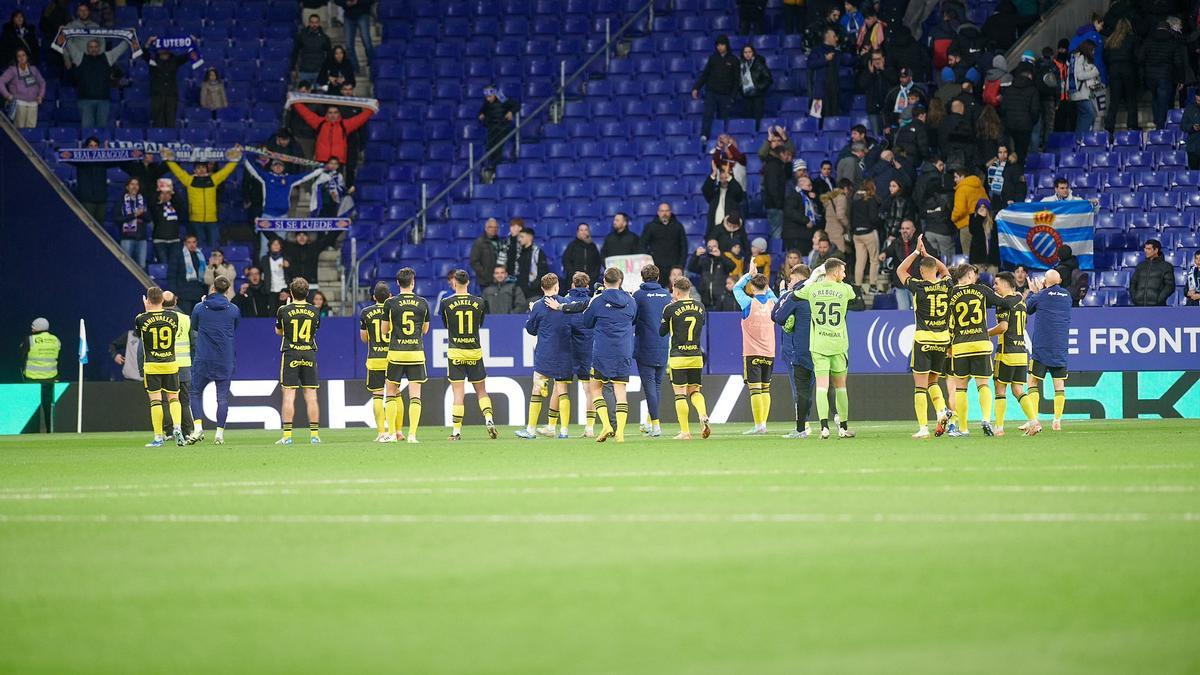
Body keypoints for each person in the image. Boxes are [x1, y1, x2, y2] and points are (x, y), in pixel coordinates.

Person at [943, 263, 1021, 437]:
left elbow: (949, 323)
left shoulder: (951, 293)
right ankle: (986, 419)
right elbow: (1004, 303)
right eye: (974, 274)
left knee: (960, 388)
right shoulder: (982, 290)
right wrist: (1018, 297)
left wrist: (948, 346)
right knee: (983, 385)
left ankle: (963, 428)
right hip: (981, 343)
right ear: (970, 275)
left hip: (961, 345)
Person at [791, 259, 858, 438]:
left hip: (819, 344)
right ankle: (843, 428)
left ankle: (824, 428)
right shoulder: (844, 289)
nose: (844, 275)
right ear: (835, 272)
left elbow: (794, 294)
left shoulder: (812, 289)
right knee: (840, 386)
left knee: (821, 386)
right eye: (842, 271)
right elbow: (852, 294)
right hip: (838, 344)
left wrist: (813, 277)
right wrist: (837, 281)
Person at [519, 274, 587, 440]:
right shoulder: (566, 304)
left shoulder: (537, 306)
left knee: (537, 387)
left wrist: (531, 314)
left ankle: (531, 430)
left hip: (545, 353)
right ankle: (564, 431)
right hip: (565, 352)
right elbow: (577, 325)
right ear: (556, 286)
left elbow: (531, 329)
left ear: (542, 288)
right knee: (563, 391)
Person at [896, 241, 952, 438]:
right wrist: (929, 255)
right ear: (935, 269)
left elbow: (900, 270)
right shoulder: (947, 283)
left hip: (923, 339)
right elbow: (945, 270)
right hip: (943, 340)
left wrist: (916, 252)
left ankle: (922, 428)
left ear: (920, 272)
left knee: (920, 386)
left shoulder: (918, 286)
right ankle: (941, 411)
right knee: (933, 381)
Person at [579, 267, 638, 443]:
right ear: (621, 281)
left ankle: (605, 425)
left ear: (604, 281)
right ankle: (620, 432)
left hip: (603, 351)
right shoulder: (631, 300)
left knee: (595, 388)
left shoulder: (597, 300)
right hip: (623, 350)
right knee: (620, 391)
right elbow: (633, 319)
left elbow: (587, 322)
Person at [440, 270, 497, 441]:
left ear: (454, 283)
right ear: (468, 283)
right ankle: (489, 419)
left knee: (458, 392)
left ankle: (456, 432)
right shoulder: (479, 302)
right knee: (481, 391)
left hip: (456, 351)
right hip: (474, 350)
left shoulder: (445, 302)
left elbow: (446, 325)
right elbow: (480, 323)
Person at [188, 276, 240, 445]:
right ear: (227, 290)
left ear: (212, 288)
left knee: (195, 393)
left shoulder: (199, 308)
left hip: (203, 357)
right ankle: (219, 434)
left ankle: (197, 429)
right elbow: (235, 325)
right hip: (224, 359)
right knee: (222, 398)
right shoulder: (233, 309)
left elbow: (194, 326)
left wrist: (204, 305)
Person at [380, 267, 429, 443]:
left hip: (396, 354)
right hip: (416, 353)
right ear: (413, 282)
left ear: (398, 283)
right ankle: (412, 435)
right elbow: (425, 330)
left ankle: (392, 433)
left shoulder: (390, 303)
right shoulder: (423, 302)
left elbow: (384, 330)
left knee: (391, 393)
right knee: (415, 396)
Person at [988, 271, 1039, 437]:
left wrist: (985, 333)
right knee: (1018, 389)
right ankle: (1034, 422)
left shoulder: (1003, 303)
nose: (994, 287)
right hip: (1021, 351)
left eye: (996, 283)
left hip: (1006, 352)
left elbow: (1003, 327)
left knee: (1000, 389)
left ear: (1004, 284)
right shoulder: (1021, 302)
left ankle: (999, 427)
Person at [660, 277, 711, 440]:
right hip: (696, 356)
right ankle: (703, 415)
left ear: (675, 290)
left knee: (680, 395)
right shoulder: (700, 307)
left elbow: (661, 332)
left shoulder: (670, 308)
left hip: (678, 357)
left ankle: (685, 432)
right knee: (695, 391)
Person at [135, 287, 185, 447]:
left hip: (152, 366)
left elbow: (139, 335)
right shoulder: (173, 317)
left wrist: (147, 310)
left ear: (148, 300)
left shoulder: (141, 318)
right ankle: (178, 427)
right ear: (162, 300)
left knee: (155, 401)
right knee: (174, 398)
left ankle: (158, 437)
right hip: (170, 364)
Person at [733, 262, 779, 434]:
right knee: (766, 388)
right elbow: (772, 294)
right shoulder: (773, 303)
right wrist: (765, 286)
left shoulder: (747, 303)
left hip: (752, 352)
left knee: (755, 390)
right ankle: (764, 424)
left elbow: (736, 288)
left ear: (751, 287)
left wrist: (749, 274)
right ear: (767, 286)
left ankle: (758, 425)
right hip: (770, 351)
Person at [275, 277, 322, 444]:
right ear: (307, 293)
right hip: (309, 353)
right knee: (311, 395)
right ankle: (315, 435)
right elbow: (315, 330)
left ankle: (287, 437)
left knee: (288, 394)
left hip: (291, 353)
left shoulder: (283, 309)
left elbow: (279, 331)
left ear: (291, 293)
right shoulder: (315, 310)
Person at [1024, 269, 1072, 432]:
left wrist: (1033, 292)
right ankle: (1057, 421)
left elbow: (1027, 308)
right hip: (1060, 347)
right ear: (1059, 281)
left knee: (1032, 382)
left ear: (1045, 281)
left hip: (1042, 347)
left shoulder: (1042, 295)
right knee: (1059, 385)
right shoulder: (1067, 296)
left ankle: (1034, 419)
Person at [164, 148, 241, 249]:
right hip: (195, 220)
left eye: (203, 168)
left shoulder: (213, 179)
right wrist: (168, 159)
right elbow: (178, 172)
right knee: (199, 247)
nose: (201, 170)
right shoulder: (189, 180)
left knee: (214, 246)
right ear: (194, 170)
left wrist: (235, 160)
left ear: (207, 169)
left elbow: (225, 172)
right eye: (198, 168)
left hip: (212, 220)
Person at [772, 263, 813, 438]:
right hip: (820, 345)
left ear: (796, 277)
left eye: (791, 278)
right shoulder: (816, 292)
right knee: (822, 387)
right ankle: (833, 424)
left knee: (799, 388)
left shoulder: (793, 294)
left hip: (795, 348)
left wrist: (783, 293)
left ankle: (802, 426)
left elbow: (776, 315)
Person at [632, 264, 672, 437]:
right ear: (658, 277)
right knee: (656, 386)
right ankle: (650, 423)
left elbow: (632, 318)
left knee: (649, 387)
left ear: (642, 277)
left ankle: (656, 426)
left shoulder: (639, 295)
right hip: (663, 344)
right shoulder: (666, 294)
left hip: (645, 346)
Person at [65, 37, 127, 128]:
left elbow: (121, 49)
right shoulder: (80, 57)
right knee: (86, 130)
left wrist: (129, 37)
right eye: (91, 47)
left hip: (103, 101)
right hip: (85, 101)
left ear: (99, 48)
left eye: (95, 47)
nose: (93, 49)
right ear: (87, 48)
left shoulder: (108, 57)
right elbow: (69, 45)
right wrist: (63, 33)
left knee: (101, 130)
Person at [160, 290, 196, 444]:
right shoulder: (185, 319)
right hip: (183, 364)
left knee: (167, 400)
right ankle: (188, 431)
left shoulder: (157, 319)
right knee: (184, 400)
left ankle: (169, 431)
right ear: (175, 302)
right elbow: (193, 342)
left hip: (165, 364)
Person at [1139, 17, 1187, 131]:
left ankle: (1157, 121)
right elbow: (1178, 63)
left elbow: (1140, 57)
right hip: (1165, 76)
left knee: (1155, 98)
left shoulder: (1148, 40)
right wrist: (1181, 79)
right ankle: (1160, 128)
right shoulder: (1173, 42)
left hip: (1150, 76)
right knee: (1163, 101)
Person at [564, 272, 597, 436]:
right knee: (589, 389)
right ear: (587, 285)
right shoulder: (592, 302)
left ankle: (560, 428)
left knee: (561, 387)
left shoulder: (564, 301)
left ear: (572, 284)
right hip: (587, 349)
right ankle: (589, 427)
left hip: (567, 350)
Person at [290, 102, 375, 164]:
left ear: (339, 114)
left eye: (335, 112)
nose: (333, 115)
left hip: (338, 162)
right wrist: (294, 101)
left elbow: (360, 118)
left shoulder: (345, 125)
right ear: (326, 114)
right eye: (330, 113)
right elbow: (305, 113)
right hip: (322, 160)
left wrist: (372, 109)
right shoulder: (319, 122)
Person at [358, 282, 391, 441]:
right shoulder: (394, 310)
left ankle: (381, 433)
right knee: (395, 395)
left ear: (373, 297)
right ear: (390, 296)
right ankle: (396, 432)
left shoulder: (366, 312)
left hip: (375, 358)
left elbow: (364, 339)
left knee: (378, 395)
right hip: (393, 358)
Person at [692, 34, 739, 147]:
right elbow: (705, 74)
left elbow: (737, 80)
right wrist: (696, 87)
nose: (720, 47)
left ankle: (722, 142)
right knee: (707, 114)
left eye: (722, 44)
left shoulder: (734, 60)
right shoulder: (713, 58)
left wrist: (733, 96)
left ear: (726, 45)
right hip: (711, 92)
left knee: (723, 117)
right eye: (718, 45)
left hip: (725, 95)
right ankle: (704, 135)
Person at [19, 317, 59, 433]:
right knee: (48, 407)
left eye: (33, 326)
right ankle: (49, 431)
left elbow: (21, 356)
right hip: (50, 379)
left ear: (38, 327)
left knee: (32, 408)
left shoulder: (30, 340)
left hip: (32, 379)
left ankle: (32, 431)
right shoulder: (55, 340)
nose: (31, 327)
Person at [880, 219, 930, 310]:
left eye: (907, 228)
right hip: (901, 284)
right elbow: (889, 251)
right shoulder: (896, 242)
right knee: (903, 311)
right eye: (902, 228)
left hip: (916, 283)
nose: (904, 231)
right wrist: (884, 254)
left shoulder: (921, 242)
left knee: (918, 311)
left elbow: (931, 254)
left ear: (913, 230)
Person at [641, 204, 688, 283]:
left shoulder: (678, 226)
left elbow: (684, 246)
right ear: (658, 212)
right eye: (662, 211)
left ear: (670, 212)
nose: (664, 213)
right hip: (656, 267)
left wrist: (681, 265)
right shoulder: (650, 226)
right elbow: (642, 245)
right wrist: (650, 262)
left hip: (674, 267)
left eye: (667, 211)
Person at [143, 36, 184, 127]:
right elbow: (144, 54)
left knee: (170, 122)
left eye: (165, 51)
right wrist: (148, 42)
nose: (163, 53)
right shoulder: (153, 60)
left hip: (171, 96)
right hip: (157, 95)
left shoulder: (175, 60)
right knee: (158, 122)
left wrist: (193, 43)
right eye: (161, 50)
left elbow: (190, 55)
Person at [850, 179, 882, 291]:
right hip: (869, 233)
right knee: (874, 260)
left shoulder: (854, 200)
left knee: (860, 260)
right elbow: (874, 218)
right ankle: (873, 286)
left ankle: (858, 287)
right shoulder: (871, 200)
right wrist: (880, 222)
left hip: (856, 234)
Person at [150, 177, 185, 278]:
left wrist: (173, 192)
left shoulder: (175, 205)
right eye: (163, 193)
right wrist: (159, 198)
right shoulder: (155, 206)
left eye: (168, 193)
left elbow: (181, 207)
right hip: (160, 240)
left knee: (174, 266)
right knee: (164, 265)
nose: (165, 195)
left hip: (174, 240)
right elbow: (152, 209)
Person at [0, 47, 44, 128]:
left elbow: (42, 82)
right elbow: (1, 82)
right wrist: (7, 95)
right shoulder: (12, 70)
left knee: (31, 132)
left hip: (33, 104)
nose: (21, 58)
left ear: (27, 56)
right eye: (19, 56)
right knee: (19, 131)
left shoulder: (33, 69)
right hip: (19, 103)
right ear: (16, 59)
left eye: (23, 55)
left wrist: (40, 95)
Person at [478, 85, 519, 169]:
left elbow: (516, 105)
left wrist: (511, 112)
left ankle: (496, 167)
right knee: (490, 146)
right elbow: (482, 110)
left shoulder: (502, 98)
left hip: (501, 126)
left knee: (498, 147)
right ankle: (492, 166)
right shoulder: (487, 102)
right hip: (491, 127)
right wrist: (481, 114)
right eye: (486, 97)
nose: (488, 99)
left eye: (489, 97)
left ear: (494, 94)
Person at [689, 239, 736, 309]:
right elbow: (691, 268)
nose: (712, 248)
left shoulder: (722, 260)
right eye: (709, 246)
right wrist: (696, 256)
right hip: (705, 300)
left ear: (718, 247)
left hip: (721, 301)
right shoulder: (703, 260)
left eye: (714, 246)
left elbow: (732, 266)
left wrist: (721, 255)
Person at [1128, 238, 1176, 307]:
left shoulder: (1166, 266)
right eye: (1145, 248)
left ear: (1156, 250)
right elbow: (1133, 283)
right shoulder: (1140, 266)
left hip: (1157, 308)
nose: (1145, 251)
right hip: (1139, 307)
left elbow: (1170, 286)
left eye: (1148, 249)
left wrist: (1158, 300)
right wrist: (1135, 299)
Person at [1069, 40, 1101, 138]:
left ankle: (1078, 139)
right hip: (1080, 94)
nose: (1093, 52)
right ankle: (1080, 139)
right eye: (1092, 50)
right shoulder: (1081, 57)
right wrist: (1094, 72)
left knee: (1083, 116)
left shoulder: (1076, 57)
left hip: (1079, 93)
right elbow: (1079, 76)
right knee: (1089, 114)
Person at [702, 164, 746, 234]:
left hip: (730, 230)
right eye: (722, 178)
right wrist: (714, 174)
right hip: (714, 230)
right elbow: (705, 190)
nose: (724, 181)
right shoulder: (714, 194)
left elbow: (738, 192)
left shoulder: (733, 194)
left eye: (726, 178)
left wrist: (729, 177)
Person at [951, 168, 986, 256]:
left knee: (968, 255)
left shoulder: (961, 189)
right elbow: (987, 203)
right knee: (981, 254)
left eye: (956, 177)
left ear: (962, 177)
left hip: (966, 225)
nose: (955, 180)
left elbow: (960, 209)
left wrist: (953, 218)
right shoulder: (980, 187)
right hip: (982, 224)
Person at [738, 44, 772, 130]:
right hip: (746, 97)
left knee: (757, 121)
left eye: (749, 52)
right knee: (747, 121)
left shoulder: (759, 63)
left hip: (757, 96)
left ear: (753, 53)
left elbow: (768, 79)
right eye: (745, 52)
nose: (747, 54)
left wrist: (758, 88)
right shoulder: (740, 65)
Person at [335, 0, 374, 74]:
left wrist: (357, 2)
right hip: (348, 15)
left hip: (363, 13)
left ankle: (373, 65)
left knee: (366, 41)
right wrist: (346, 3)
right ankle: (354, 69)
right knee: (349, 45)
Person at [291, 14, 332, 84]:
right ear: (309, 23)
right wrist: (293, 68)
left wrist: (329, 69)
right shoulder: (301, 36)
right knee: (304, 94)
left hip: (320, 71)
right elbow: (295, 53)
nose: (314, 24)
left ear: (319, 23)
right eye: (312, 22)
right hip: (305, 71)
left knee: (320, 94)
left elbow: (329, 55)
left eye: (316, 22)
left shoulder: (325, 38)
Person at [118, 177, 148, 269]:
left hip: (141, 238)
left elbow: (149, 218)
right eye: (132, 184)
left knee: (142, 266)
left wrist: (142, 214)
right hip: (127, 238)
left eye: (136, 184)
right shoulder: (121, 201)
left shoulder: (143, 201)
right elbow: (117, 218)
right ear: (127, 187)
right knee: (126, 266)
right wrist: (134, 215)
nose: (135, 187)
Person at [512, 227, 549, 300]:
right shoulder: (519, 253)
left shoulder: (538, 253)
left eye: (522, 237)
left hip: (533, 291)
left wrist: (533, 286)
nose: (519, 239)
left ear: (530, 237)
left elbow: (543, 272)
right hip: (520, 290)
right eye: (519, 237)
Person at [174, 235, 208, 313]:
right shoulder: (178, 256)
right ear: (185, 243)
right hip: (183, 294)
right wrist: (174, 292)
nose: (192, 245)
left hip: (198, 293)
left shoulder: (200, 256)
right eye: (189, 242)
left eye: (194, 242)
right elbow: (172, 275)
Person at [967, 199, 999, 273]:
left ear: (988, 209)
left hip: (992, 260)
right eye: (979, 207)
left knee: (993, 282)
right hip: (978, 259)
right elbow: (973, 230)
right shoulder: (973, 219)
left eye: (984, 207)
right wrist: (979, 217)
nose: (982, 209)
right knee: (978, 282)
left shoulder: (993, 221)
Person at [469, 218, 504, 287]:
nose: (493, 229)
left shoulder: (501, 242)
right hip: (485, 282)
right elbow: (474, 262)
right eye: (491, 227)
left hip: (499, 281)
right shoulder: (479, 243)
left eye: (496, 227)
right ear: (486, 228)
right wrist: (486, 275)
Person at [1183, 87, 1200, 171]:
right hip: (1193, 148)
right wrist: (1192, 127)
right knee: (1194, 174)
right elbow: (1183, 125)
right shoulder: (1190, 109)